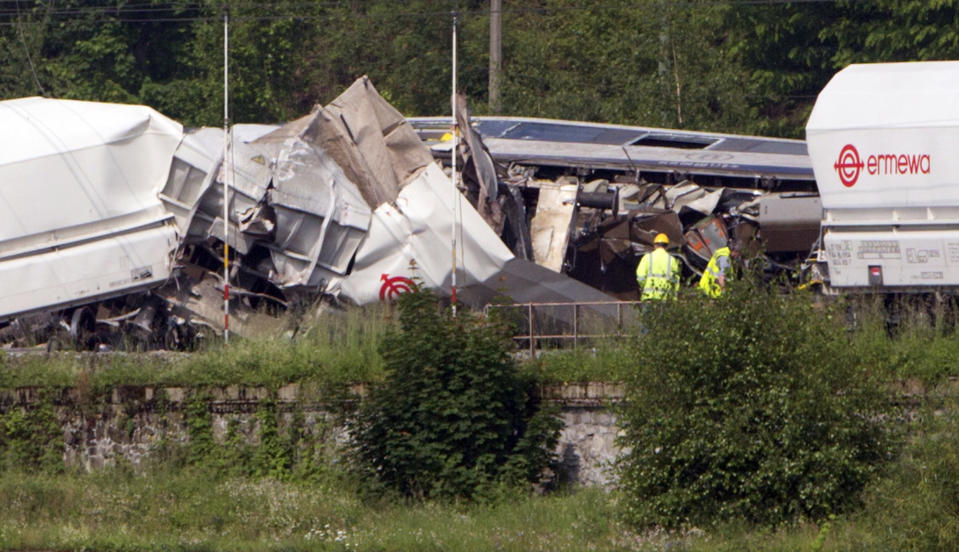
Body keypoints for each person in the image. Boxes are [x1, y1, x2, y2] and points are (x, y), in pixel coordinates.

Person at [636, 233, 681, 300]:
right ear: (667, 246)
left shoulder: (647, 257)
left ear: (655, 245)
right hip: (666, 297)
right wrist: (674, 297)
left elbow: (640, 276)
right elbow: (675, 280)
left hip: (649, 296)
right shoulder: (672, 260)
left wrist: (645, 286)